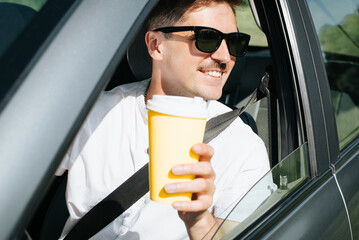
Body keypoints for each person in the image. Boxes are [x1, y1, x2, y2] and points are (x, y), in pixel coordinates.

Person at [56, 0, 271, 239]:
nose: (224, 56)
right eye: (207, 38)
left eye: (234, 41)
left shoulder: (244, 148)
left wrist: (199, 221)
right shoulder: (93, 113)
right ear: (156, 45)